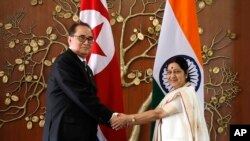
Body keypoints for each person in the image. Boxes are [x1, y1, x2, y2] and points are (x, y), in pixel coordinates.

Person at [43, 22, 117, 141]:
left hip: (83, 133)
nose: (86, 42)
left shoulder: (86, 68)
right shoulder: (65, 62)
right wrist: (111, 117)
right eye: (81, 37)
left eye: (90, 38)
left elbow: (89, 100)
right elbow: (82, 97)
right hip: (64, 135)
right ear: (70, 40)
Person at [111, 56, 210, 141]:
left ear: (186, 73)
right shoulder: (180, 93)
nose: (172, 76)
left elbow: (158, 113)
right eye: (169, 72)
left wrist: (128, 119)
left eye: (177, 72)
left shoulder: (183, 95)